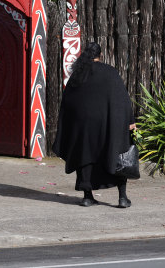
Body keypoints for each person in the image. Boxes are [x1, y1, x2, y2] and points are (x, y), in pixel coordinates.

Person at [53, 42, 136, 208]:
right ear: (101, 55)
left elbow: (68, 101)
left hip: (83, 126)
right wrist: (130, 121)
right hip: (107, 123)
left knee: (84, 155)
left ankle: (87, 196)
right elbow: (122, 99)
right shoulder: (110, 72)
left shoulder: (77, 74)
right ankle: (122, 197)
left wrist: (71, 123)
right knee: (116, 153)